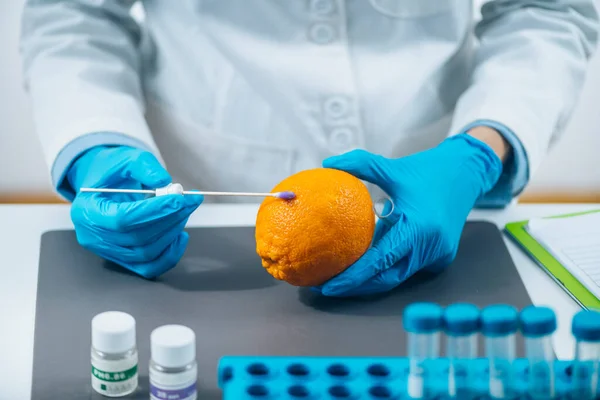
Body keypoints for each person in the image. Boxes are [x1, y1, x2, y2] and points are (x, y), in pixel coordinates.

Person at [19, 0, 598, 296]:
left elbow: (545, 9)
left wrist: (480, 150)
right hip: (202, 184)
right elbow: (75, 13)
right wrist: (95, 145)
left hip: (438, 172)